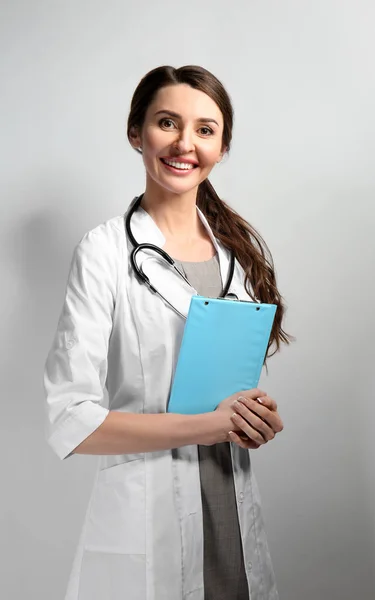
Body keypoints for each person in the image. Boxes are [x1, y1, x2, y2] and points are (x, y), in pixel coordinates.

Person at [44, 65, 291, 600]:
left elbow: (225, 398)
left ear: (222, 146)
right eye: (166, 122)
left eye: (205, 129)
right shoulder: (105, 252)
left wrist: (254, 418)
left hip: (229, 513)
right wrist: (204, 425)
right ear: (136, 133)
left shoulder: (238, 261)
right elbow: (72, 419)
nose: (185, 143)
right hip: (147, 520)